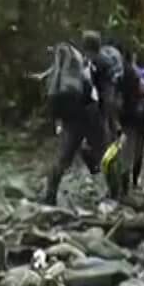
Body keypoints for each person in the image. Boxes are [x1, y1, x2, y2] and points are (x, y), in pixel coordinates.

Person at [42, 36, 109, 205]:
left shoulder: (69, 67)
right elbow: (96, 93)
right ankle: (115, 191)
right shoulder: (91, 64)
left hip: (69, 115)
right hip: (86, 113)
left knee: (64, 157)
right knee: (105, 151)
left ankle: (50, 195)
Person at [110, 49, 144, 197]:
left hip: (125, 117)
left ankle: (124, 186)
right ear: (134, 56)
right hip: (141, 115)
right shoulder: (141, 74)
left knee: (126, 151)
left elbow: (114, 99)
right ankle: (134, 181)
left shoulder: (117, 75)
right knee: (139, 149)